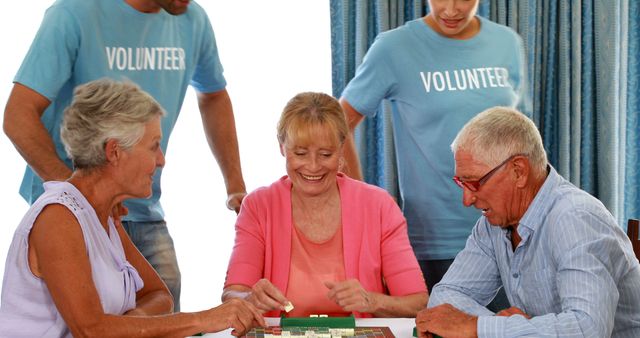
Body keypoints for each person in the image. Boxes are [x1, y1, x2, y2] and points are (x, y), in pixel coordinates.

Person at [2, 0, 247, 311]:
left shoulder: (193, 19)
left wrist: (235, 184)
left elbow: (213, 96)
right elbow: (17, 115)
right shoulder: (73, 14)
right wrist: (82, 199)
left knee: (161, 310)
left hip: (143, 211)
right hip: (70, 214)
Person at [0, 79, 265, 337]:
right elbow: (91, 331)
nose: (161, 160)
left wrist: (131, 323)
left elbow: (159, 296)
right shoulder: (59, 218)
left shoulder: (103, 216)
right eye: (153, 146)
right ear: (114, 151)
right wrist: (202, 320)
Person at [339, 0, 530, 295]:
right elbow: (339, 125)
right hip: (435, 243)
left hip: (510, 237)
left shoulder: (507, 43)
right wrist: (363, 202)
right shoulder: (395, 48)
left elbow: (524, 140)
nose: (451, 10)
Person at [415, 106, 640, 338]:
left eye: (473, 183)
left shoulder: (576, 217)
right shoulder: (492, 223)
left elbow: (587, 329)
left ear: (518, 171)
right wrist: (504, 329)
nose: (467, 199)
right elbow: (445, 295)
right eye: (461, 184)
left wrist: (477, 327)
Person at [222, 92, 428, 318]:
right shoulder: (258, 206)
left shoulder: (379, 206)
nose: (312, 166)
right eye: (300, 153)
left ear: (342, 149)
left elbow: (417, 304)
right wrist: (250, 299)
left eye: (325, 154)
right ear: (282, 148)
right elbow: (233, 294)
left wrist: (373, 301)